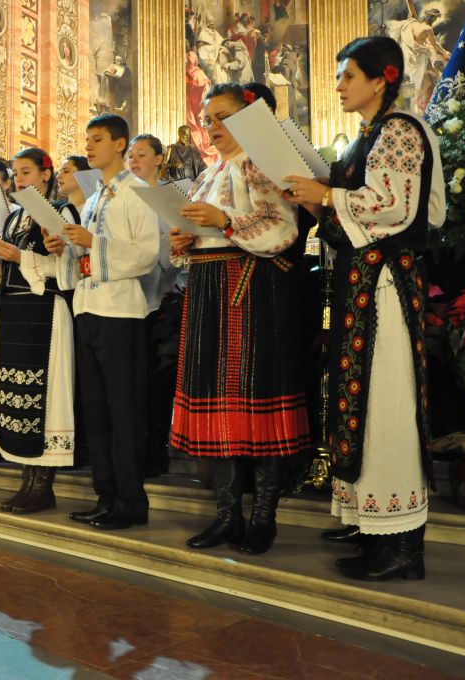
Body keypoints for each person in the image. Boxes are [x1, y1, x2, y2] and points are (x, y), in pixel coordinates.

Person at [284, 36, 445, 581]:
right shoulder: (369, 135)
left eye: (348, 75)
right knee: (365, 402)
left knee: (388, 404)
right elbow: (353, 214)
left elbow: (395, 207)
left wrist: (327, 195)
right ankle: (376, 530)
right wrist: (318, 198)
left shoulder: (399, 129)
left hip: (386, 285)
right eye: (338, 75)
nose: (338, 85)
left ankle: (403, 547)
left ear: (382, 79)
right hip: (363, 282)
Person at [168, 83, 311, 555]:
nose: (213, 127)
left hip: (249, 289)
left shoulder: (259, 164)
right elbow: (202, 229)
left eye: (223, 117)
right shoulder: (210, 174)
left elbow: (283, 229)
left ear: (249, 119)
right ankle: (228, 515)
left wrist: (224, 221)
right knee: (219, 404)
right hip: (210, 289)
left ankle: (263, 517)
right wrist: (185, 240)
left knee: (257, 397)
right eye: (209, 119)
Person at [57, 113, 160, 530]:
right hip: (88, 306)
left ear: (120, 144)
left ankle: (131, 501)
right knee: (95, 409)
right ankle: (106, 495)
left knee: (123, 409)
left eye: (97, 139)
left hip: (121, 311)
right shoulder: (94, 198)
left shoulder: (138, 192)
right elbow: (85, 253)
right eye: (87, 139)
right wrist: (65, 246)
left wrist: (91, 243)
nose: (89, 146)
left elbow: (146, 254)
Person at [0, 147, 78, 514]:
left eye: (26, 172)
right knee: (15, 392)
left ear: (45, 175)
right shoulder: (13, 220)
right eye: (16, 174)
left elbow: (66, 270)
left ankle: (43, 485)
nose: (19, 180)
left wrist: (19, 257)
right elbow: (3, 275)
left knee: (45, 395)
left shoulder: (61, 212)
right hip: (14, 311)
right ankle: (27, 481)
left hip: (46, 310)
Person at [128, 134, 185, 478]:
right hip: (128, 301)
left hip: (161, 301)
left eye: (141, 154)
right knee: (133, 383)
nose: (133, 161)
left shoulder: (169, 196)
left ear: (159, 159)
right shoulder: (123, 195)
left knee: (157, 383)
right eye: (131, 155)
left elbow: (177, 253)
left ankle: (155, 451)